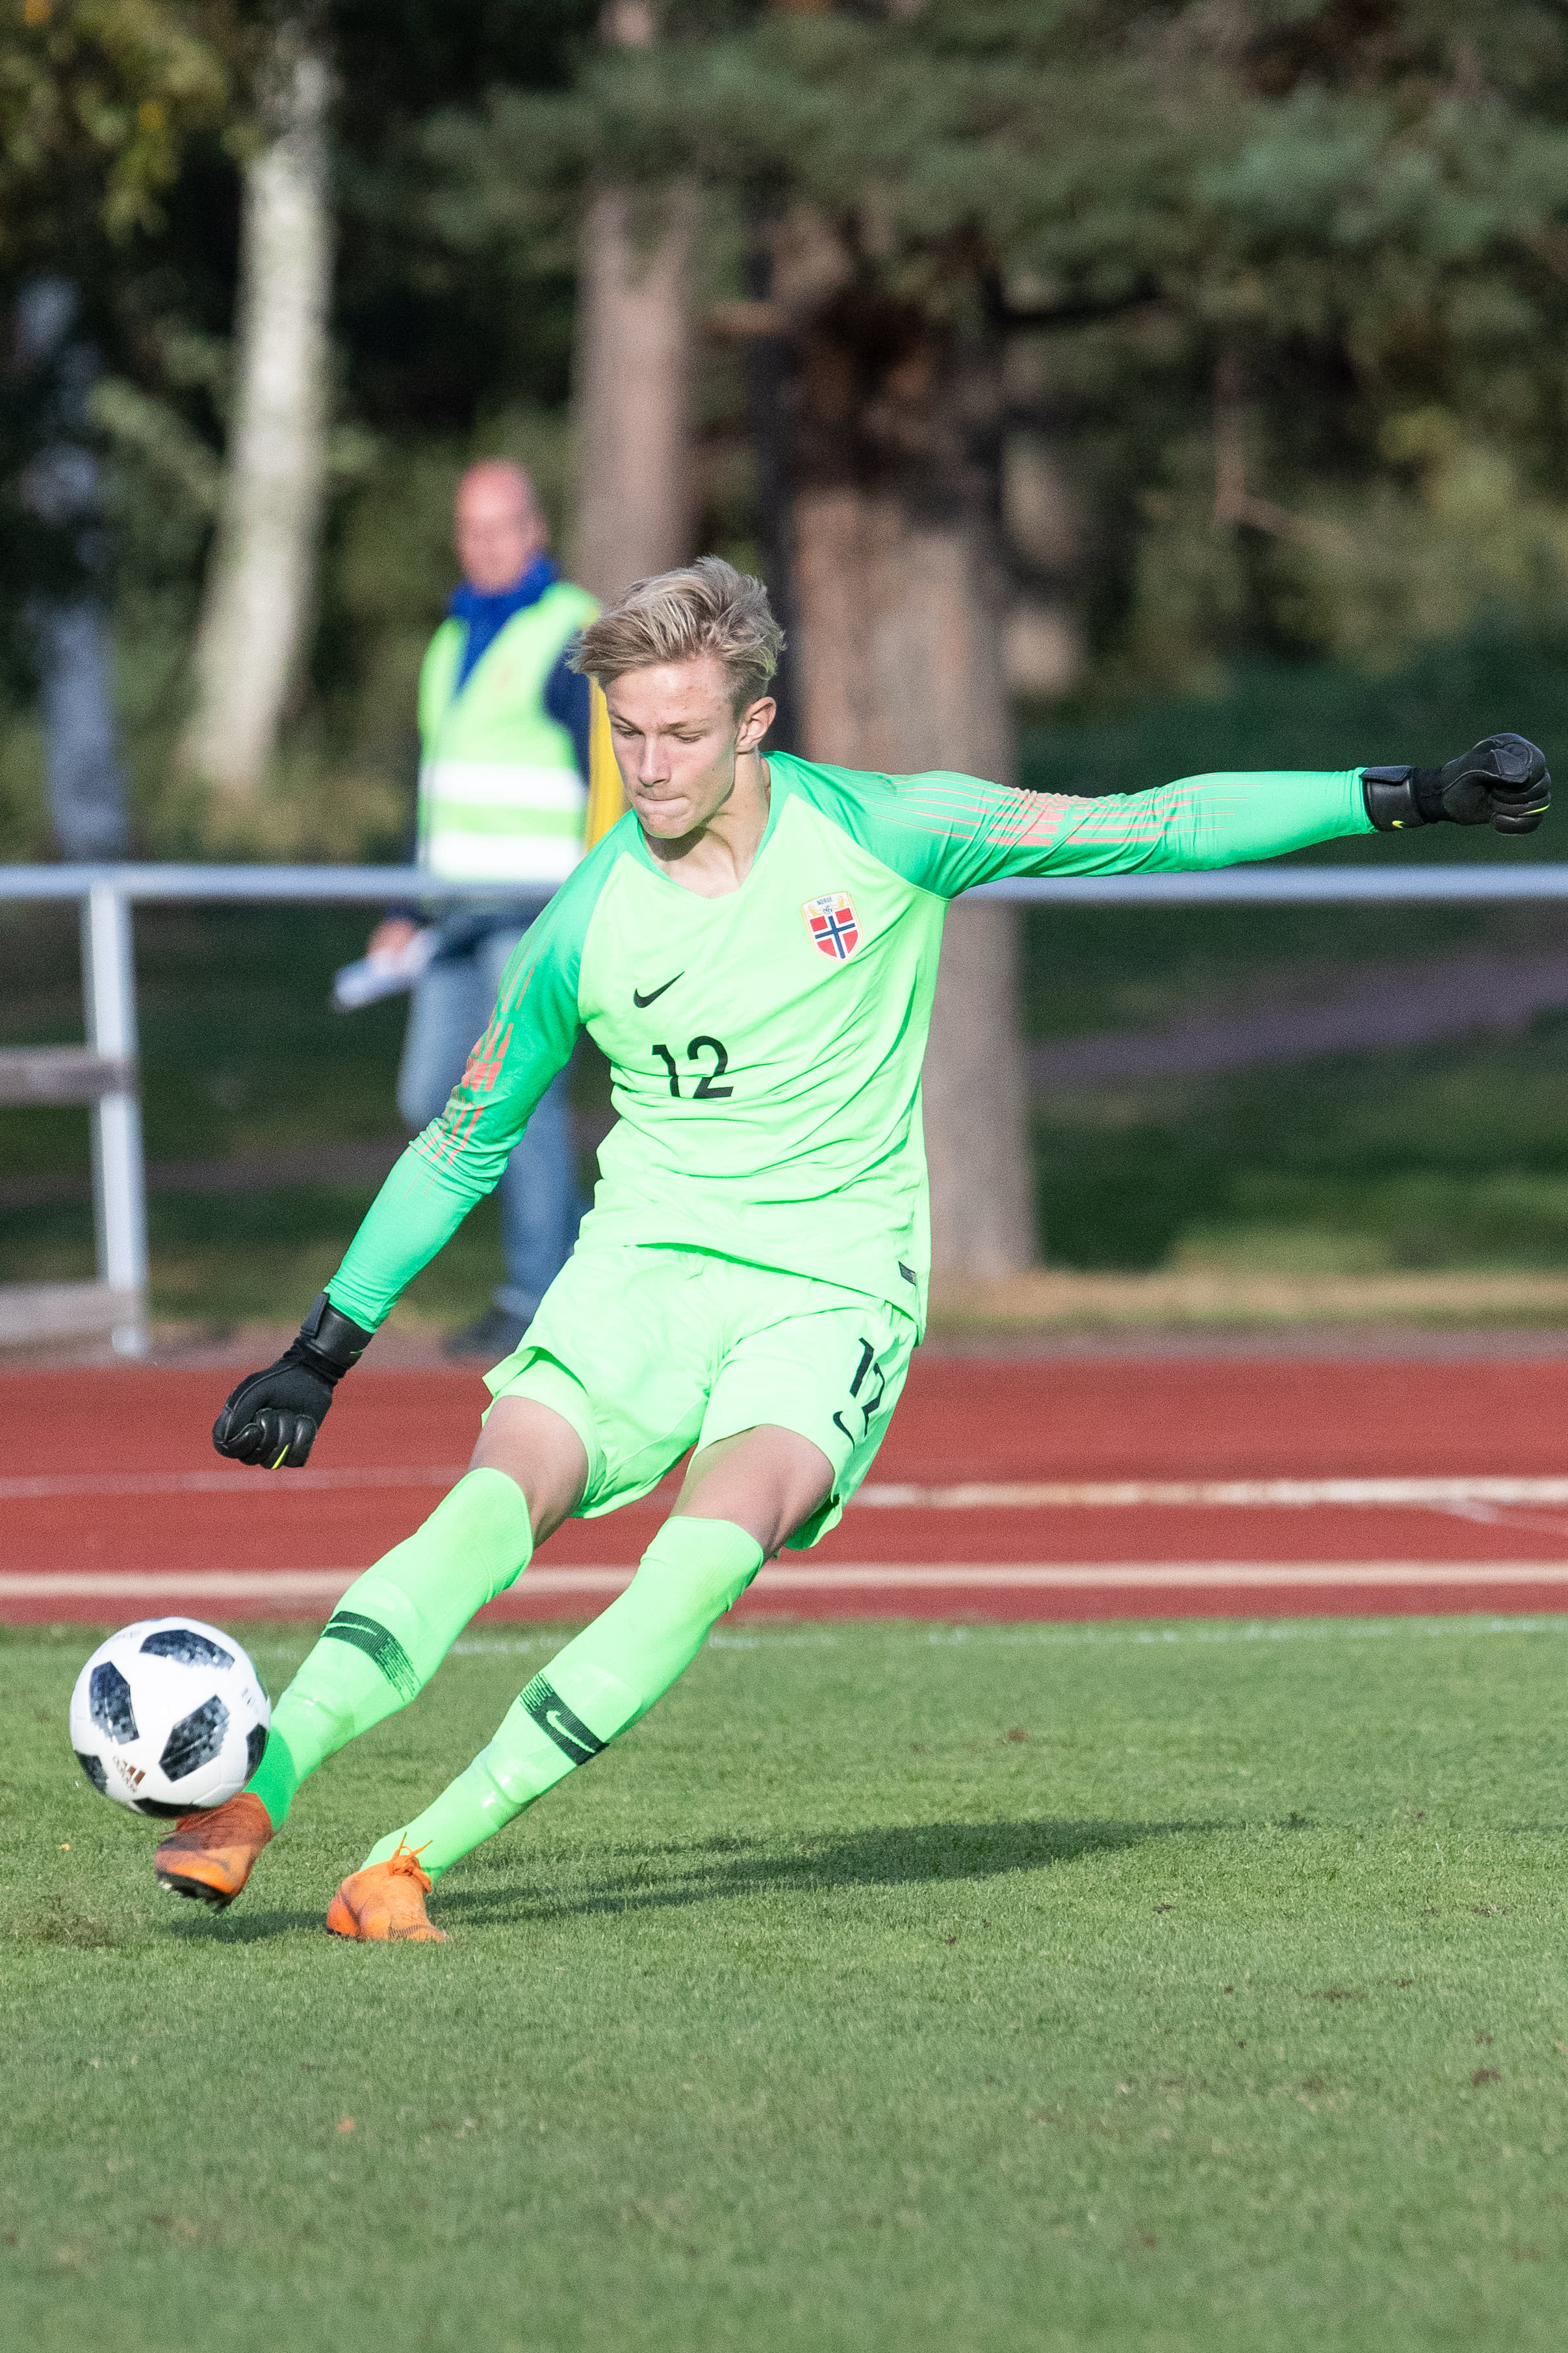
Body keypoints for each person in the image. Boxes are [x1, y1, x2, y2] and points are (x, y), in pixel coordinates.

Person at [154, 558, 1550, 1940]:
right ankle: (255, 1792)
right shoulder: (584, 921)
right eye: (627, 733)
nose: (650, 766)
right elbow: (463, 1141)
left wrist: (1405, 793)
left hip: (832, 1288)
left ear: (753, 722)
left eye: (682, 732)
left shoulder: (892, 830)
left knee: (696, 1565)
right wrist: (320, 1351)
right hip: (644, 1267)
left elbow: (1156, 824)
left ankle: (409, 1861)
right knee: (485, 1511)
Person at [366, 458, 600, 1360]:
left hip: (535, 909)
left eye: (502, 527)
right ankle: (569, 1271)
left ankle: (540, 1292)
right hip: (454, 913)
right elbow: (438, 789)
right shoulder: (450, 638)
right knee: (432, 1092)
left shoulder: (572, 630)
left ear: (536, 530)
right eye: (472, 529)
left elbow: (612, 778)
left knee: (521, 1099)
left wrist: (597, 895)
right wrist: (404, 904)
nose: (487, 545)